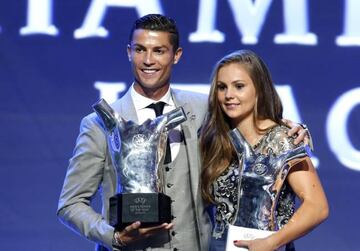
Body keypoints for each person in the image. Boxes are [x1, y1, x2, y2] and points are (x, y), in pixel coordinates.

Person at [57, 14, 309, 251]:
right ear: (129, 52)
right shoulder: (99, 124)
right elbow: (70, 204)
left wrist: (289, 129)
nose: (148, 60)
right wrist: (114, 237)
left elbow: (254, 125)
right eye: (140, 50)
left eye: (159, 51)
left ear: (176, 55)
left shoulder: (206, 109)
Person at [199, 49, 329, 251]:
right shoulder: (215, 140)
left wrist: (271, 242)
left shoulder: (283, 139)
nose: (228, 95)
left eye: (239, 86)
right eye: (222, 87)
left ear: (259, 89)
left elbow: (317, 207)